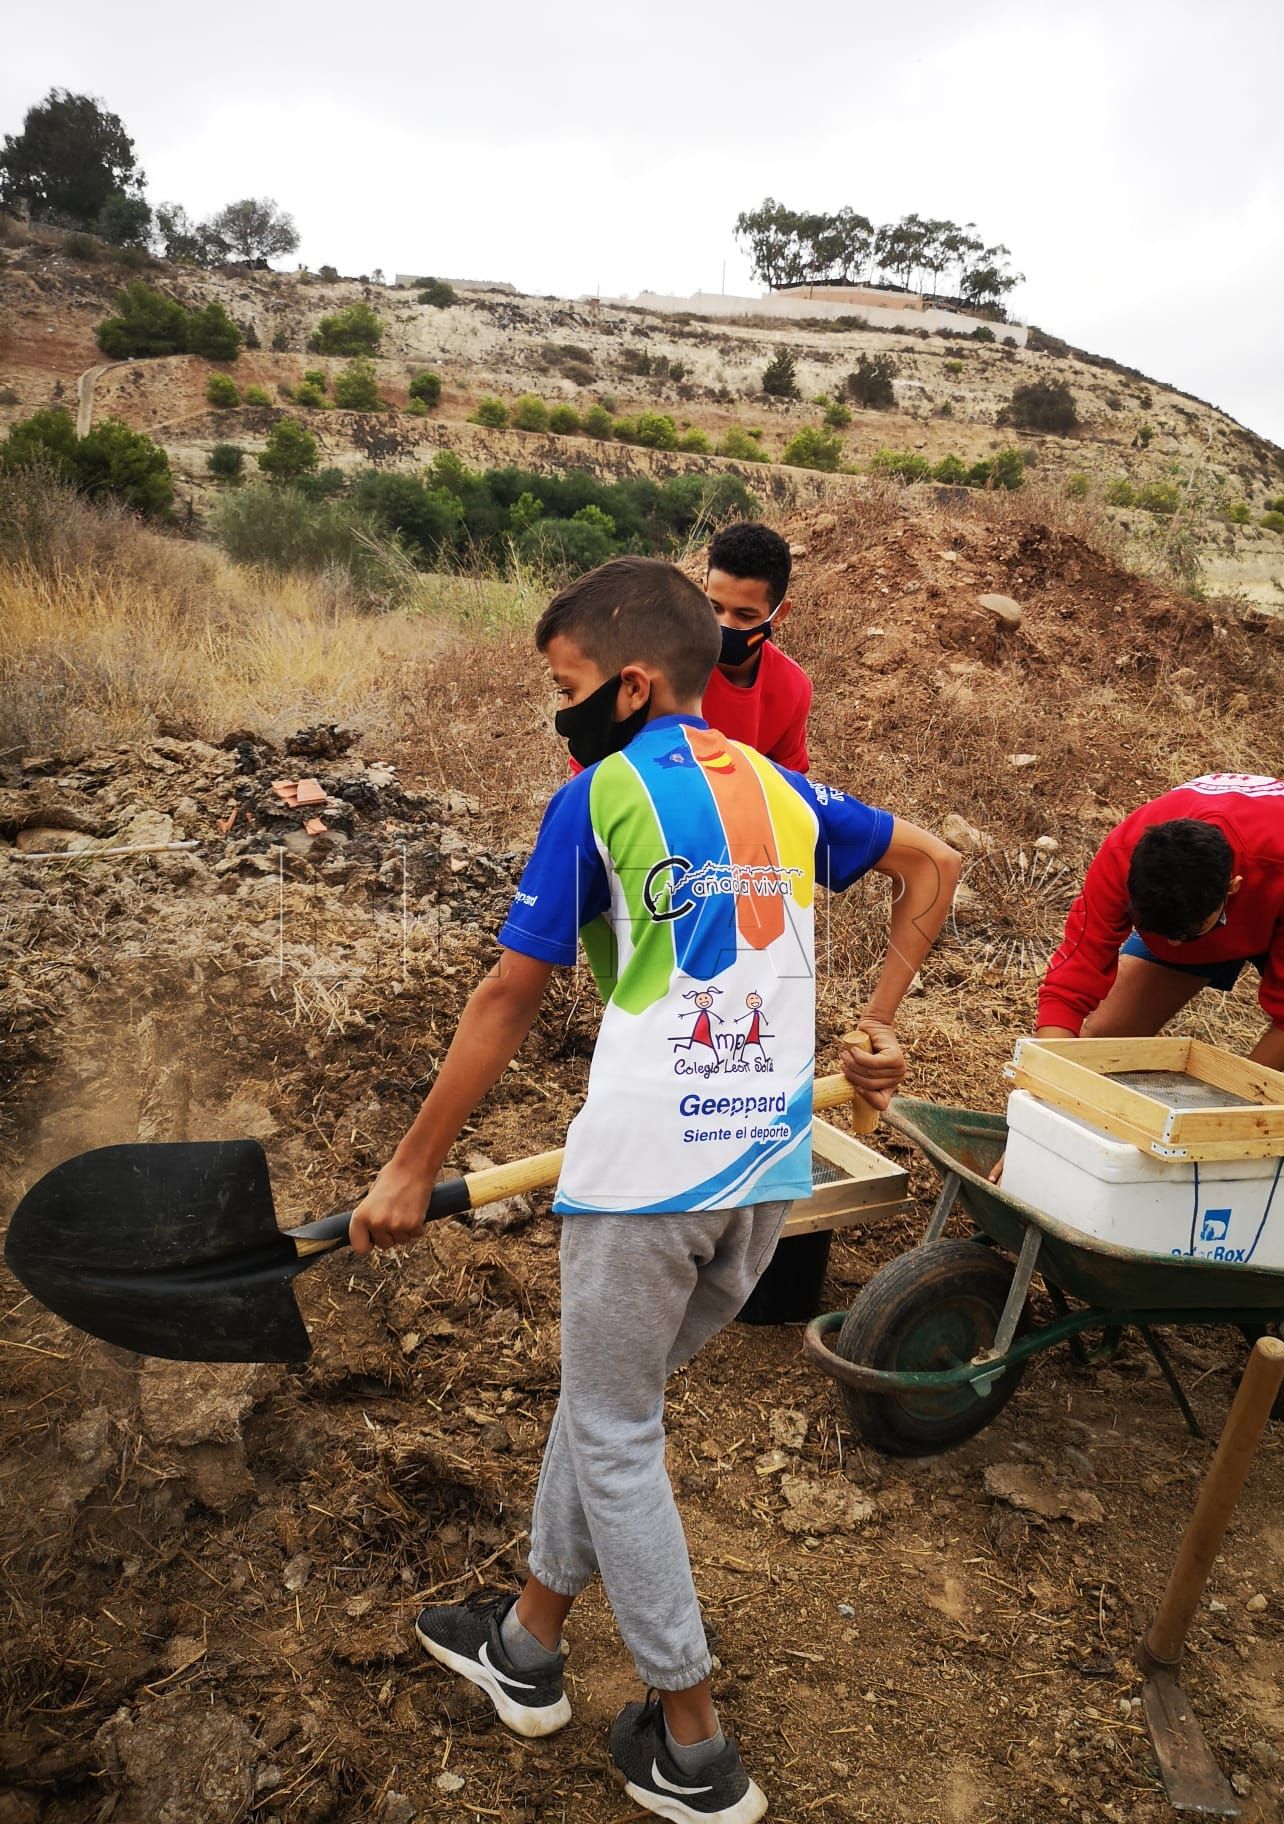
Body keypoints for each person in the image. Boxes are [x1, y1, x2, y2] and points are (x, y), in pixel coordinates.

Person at [349, 556, 962, 1822]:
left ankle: (693, 1744)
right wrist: (880, 1022)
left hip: (644, 1187)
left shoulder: (600, 797)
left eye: (567, 685)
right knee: (605, 1406)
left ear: (630, 685)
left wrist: (410, 1167)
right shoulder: (787, 792)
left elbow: (507, 995)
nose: (559, 712)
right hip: (761, 1182)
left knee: (617, 1434)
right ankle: (525, 1644)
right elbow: (935, 864)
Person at [1031, 771, 1284, 1396]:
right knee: (1105, 1041)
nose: (1168, 944)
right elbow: (1071, 983)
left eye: (1182, 936)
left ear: (1231, 889)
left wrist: (1228, 1109)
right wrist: (1049, 1109)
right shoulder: (1125, 854)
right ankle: (1071, 1195)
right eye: (1153, 930)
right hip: (1194, 904)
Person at [701, 521, 813, 772]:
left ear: (779, 614)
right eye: (715, 607)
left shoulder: (792, 689)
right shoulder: (663, 662)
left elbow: (789, 782)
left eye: (745, 615)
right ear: (704, 589)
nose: (724, 625)